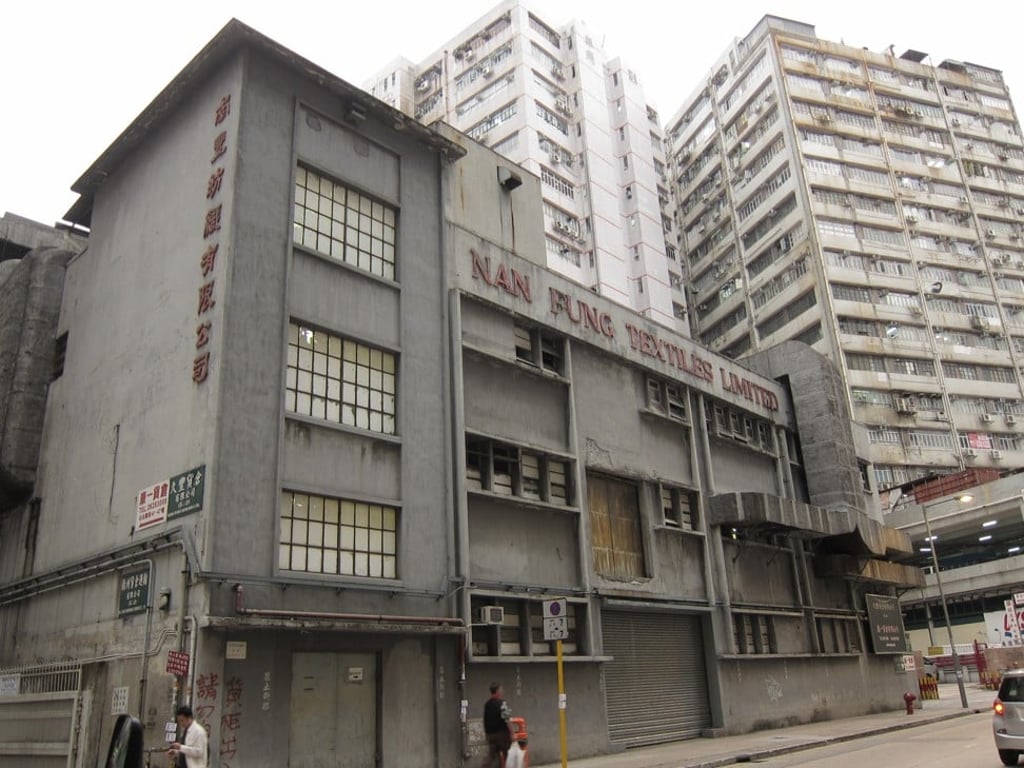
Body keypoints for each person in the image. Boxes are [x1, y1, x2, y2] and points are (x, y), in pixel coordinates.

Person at [481, 682, 515, 768]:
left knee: (491, 756)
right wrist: (512, 733)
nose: (502, 691)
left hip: (490, 735)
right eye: (501, 690)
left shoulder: (487, 704)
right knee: (508, 754)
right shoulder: (502, 703)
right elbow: (507, 719)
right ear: (497, 691)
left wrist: (487, 734)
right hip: (502, 735)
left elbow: (485, 719)